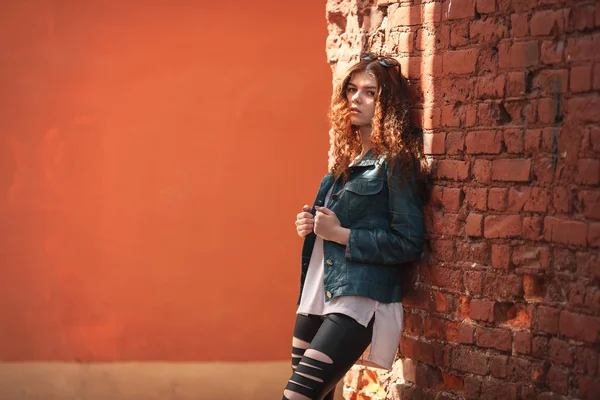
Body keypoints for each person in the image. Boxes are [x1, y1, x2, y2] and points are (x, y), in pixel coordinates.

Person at [282, 52, 429, 400]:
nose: (355, 99)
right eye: (351, 90)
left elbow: (408, 242)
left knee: (296, 396)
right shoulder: (345, 165)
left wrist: (340, 234)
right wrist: (312, 223)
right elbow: (335, 224)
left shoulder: (395, 164)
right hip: (317, 293)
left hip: (358, 299)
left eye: (369, 92)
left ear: (387, 103)